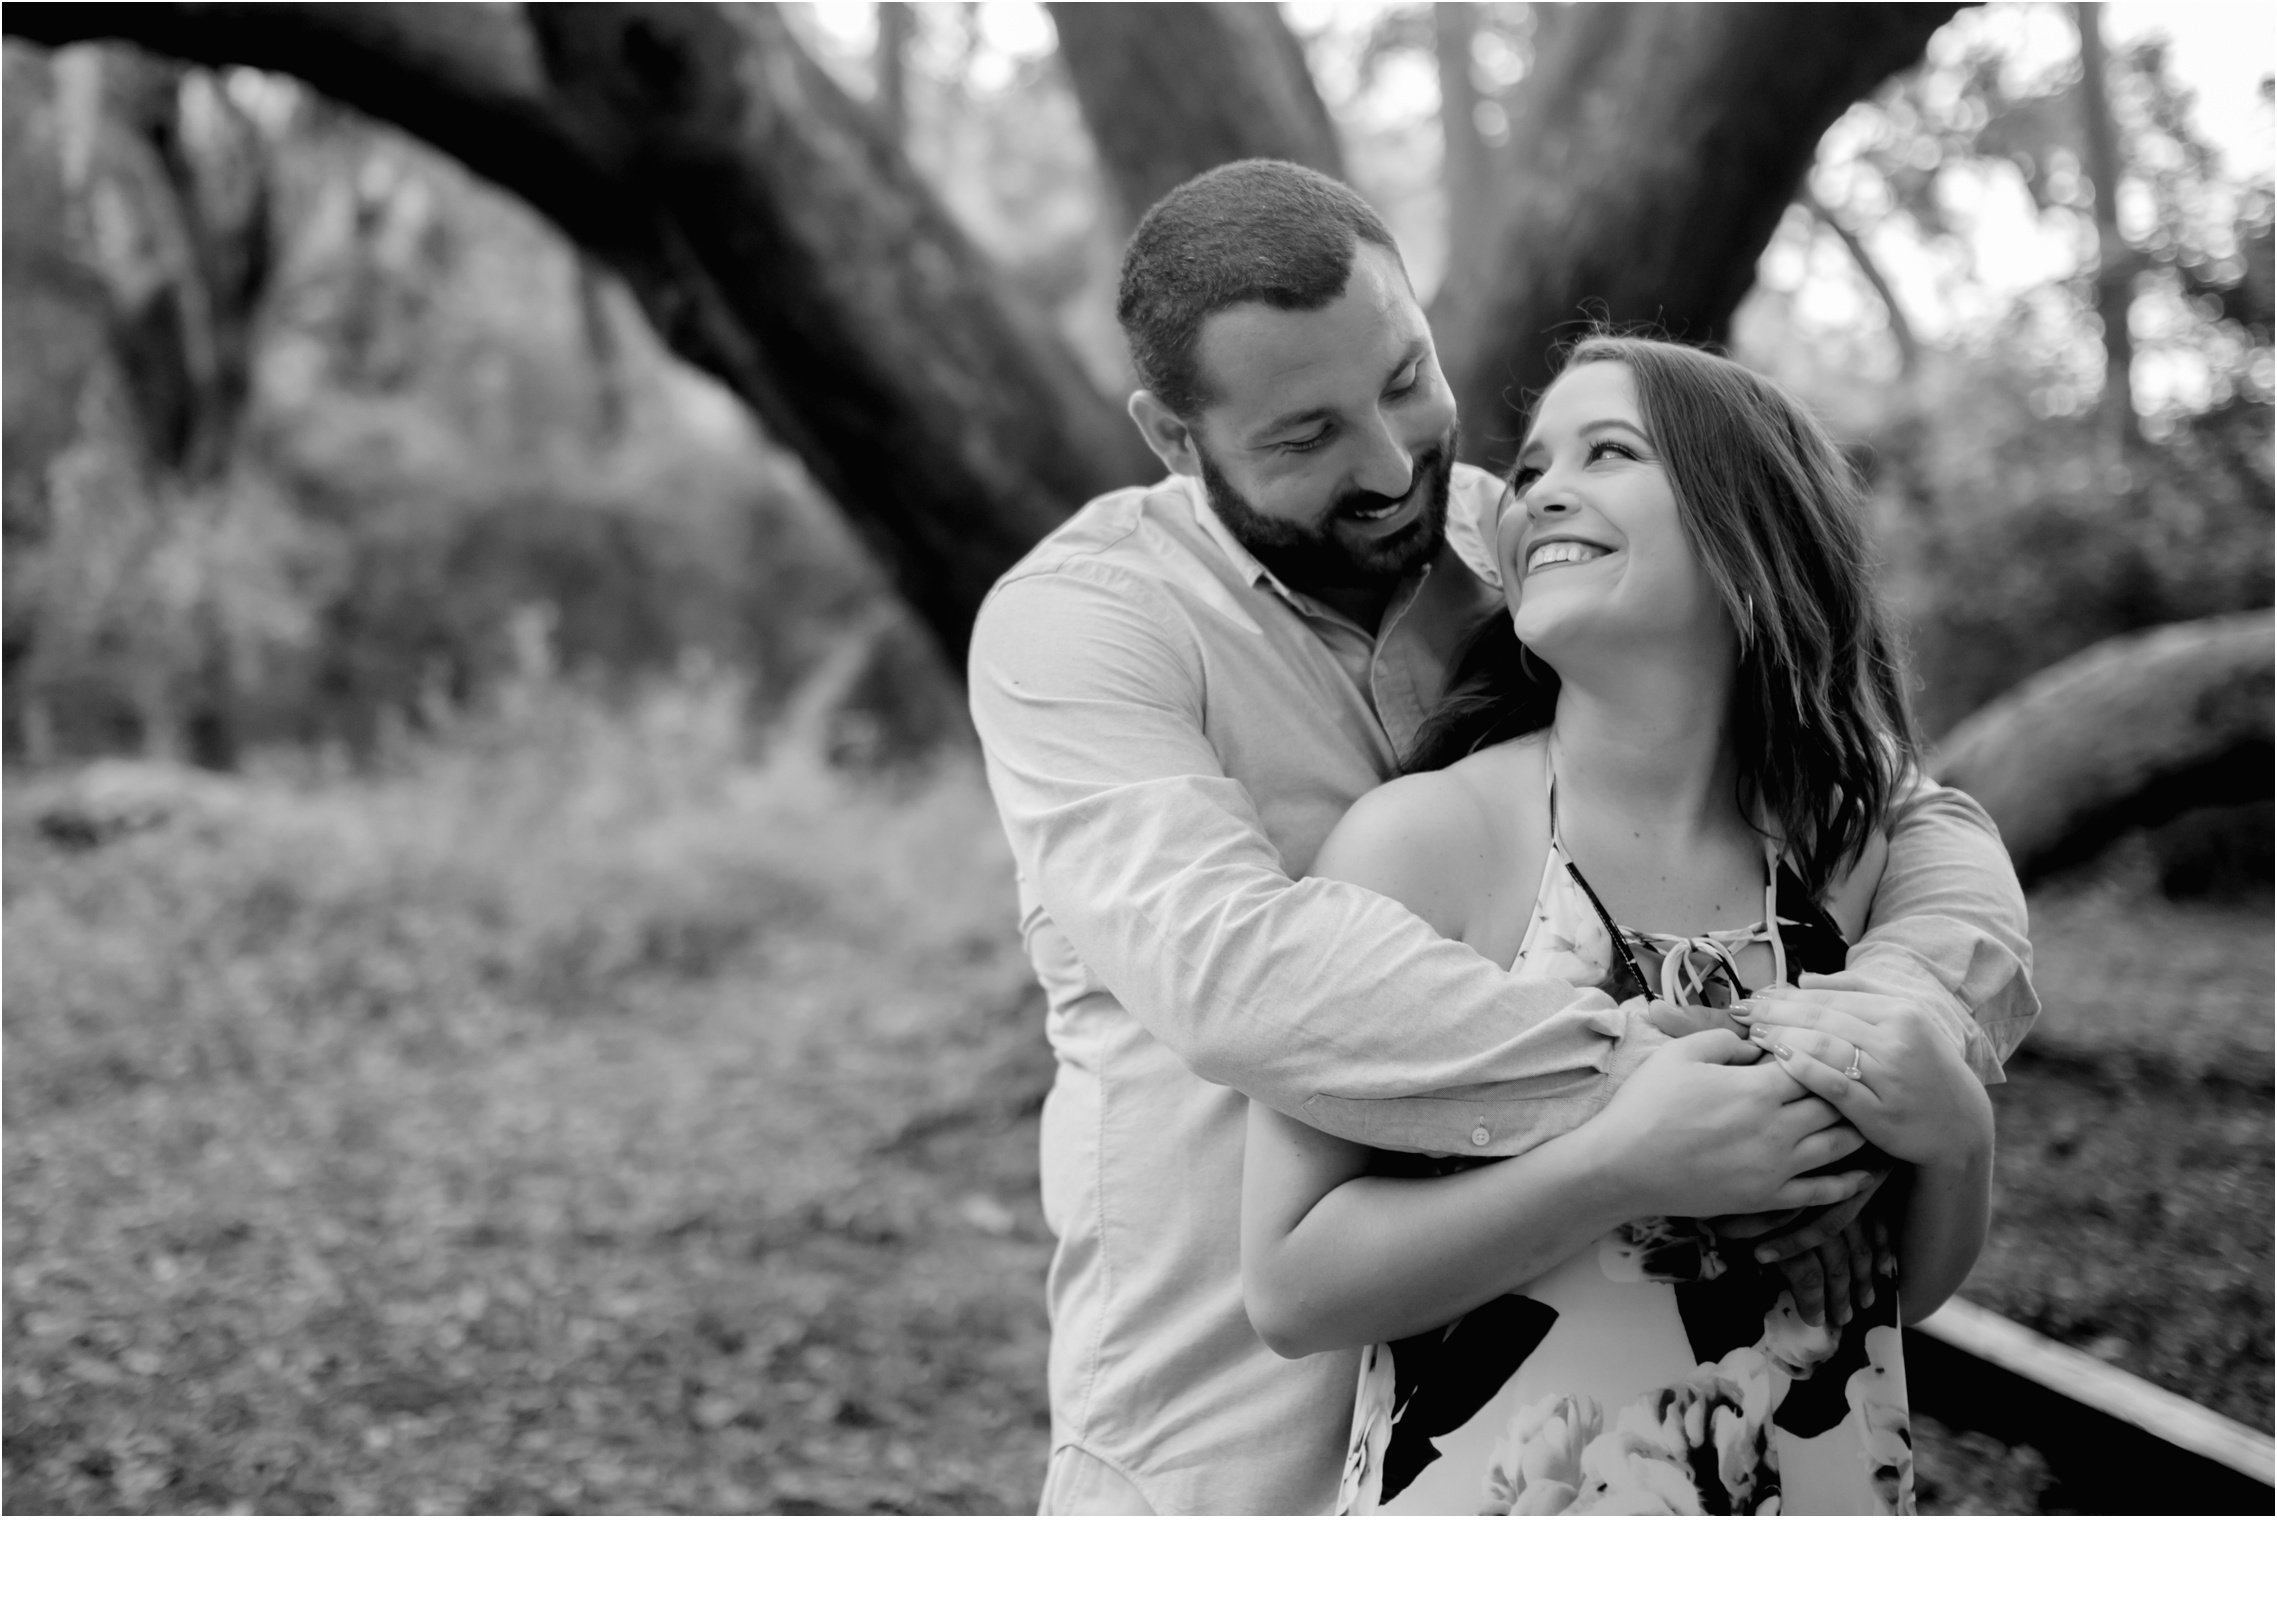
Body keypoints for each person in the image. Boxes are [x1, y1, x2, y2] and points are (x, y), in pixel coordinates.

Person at [966, 160, 2036, 1516]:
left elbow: (1908, 812)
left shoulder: (1531, 550)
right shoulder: (1084, 625)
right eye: (1303, 438)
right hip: (1220, 1439)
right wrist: (1641, 1076)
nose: (1387, 460)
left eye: (1405, 378)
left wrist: (1908, 1020)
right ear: (1173, 438)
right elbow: (1235, 974)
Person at [1241, 335, 1992, 1515]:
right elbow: (1291, 1286)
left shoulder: (1843, 861)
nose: (1540, 490)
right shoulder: (1427, 844)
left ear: (1749, 539)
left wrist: (1959, 1136)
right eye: (1533, 467)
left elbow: (1892, 1295)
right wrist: (1616, 1166)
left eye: (1609, 451)